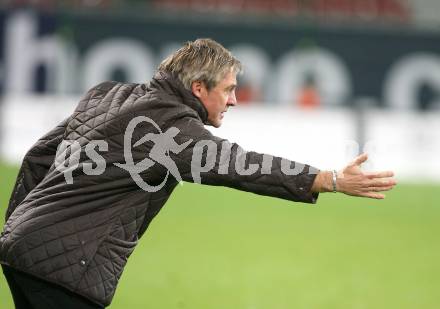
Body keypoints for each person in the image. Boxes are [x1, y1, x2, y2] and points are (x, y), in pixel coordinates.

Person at [0, 38, 396, 308]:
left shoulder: (106, 94)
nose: (235, 100)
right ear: (197, 88)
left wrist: (18, 227)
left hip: (23, 251)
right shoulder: (171, 128)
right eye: (228, 90)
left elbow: (38, 158)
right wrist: (330, 180)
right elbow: (242, 166)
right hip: (67, 266)